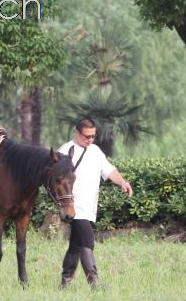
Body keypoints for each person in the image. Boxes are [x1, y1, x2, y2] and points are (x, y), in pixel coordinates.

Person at [57, 117, 133, 290]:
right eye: (86, 136)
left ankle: (65, 282)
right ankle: (94, 283)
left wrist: (122, 182)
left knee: (76, 245)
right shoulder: (65, 150)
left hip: (89, 207)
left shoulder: (95, 151)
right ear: (77, 132)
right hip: (73, 207)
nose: (90, 140)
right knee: (87, 241)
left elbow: (109, 170)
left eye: (93, 136)